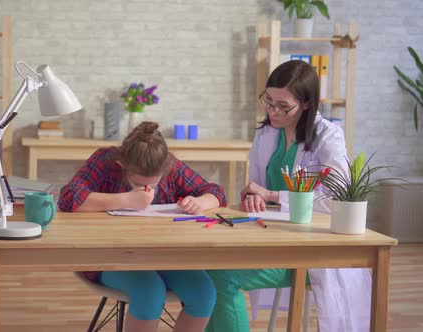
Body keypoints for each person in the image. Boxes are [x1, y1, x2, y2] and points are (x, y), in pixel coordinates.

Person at [206, 60, 372, 332]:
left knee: (222, 277)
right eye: (269, 101)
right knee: (208, 268)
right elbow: (256, 189)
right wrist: (253, 197)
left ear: (306, 104)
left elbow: (337, 200)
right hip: (270, 239)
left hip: (312, 253)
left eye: (283, 106)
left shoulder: (328, 138)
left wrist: (271, 194)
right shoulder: (267, 133)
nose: (272, 111)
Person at [58, 121, 227, 332]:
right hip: (108, 256)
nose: (147, 189)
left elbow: (216, 192)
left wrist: (200, 202)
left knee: (204, 292)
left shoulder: (170, 166)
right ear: (121, 164)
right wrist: (126, 200)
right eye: (139, 184)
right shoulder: (105, 160)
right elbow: (68, 198)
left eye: (154, 184)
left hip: (161, 255)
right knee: (150, 291)